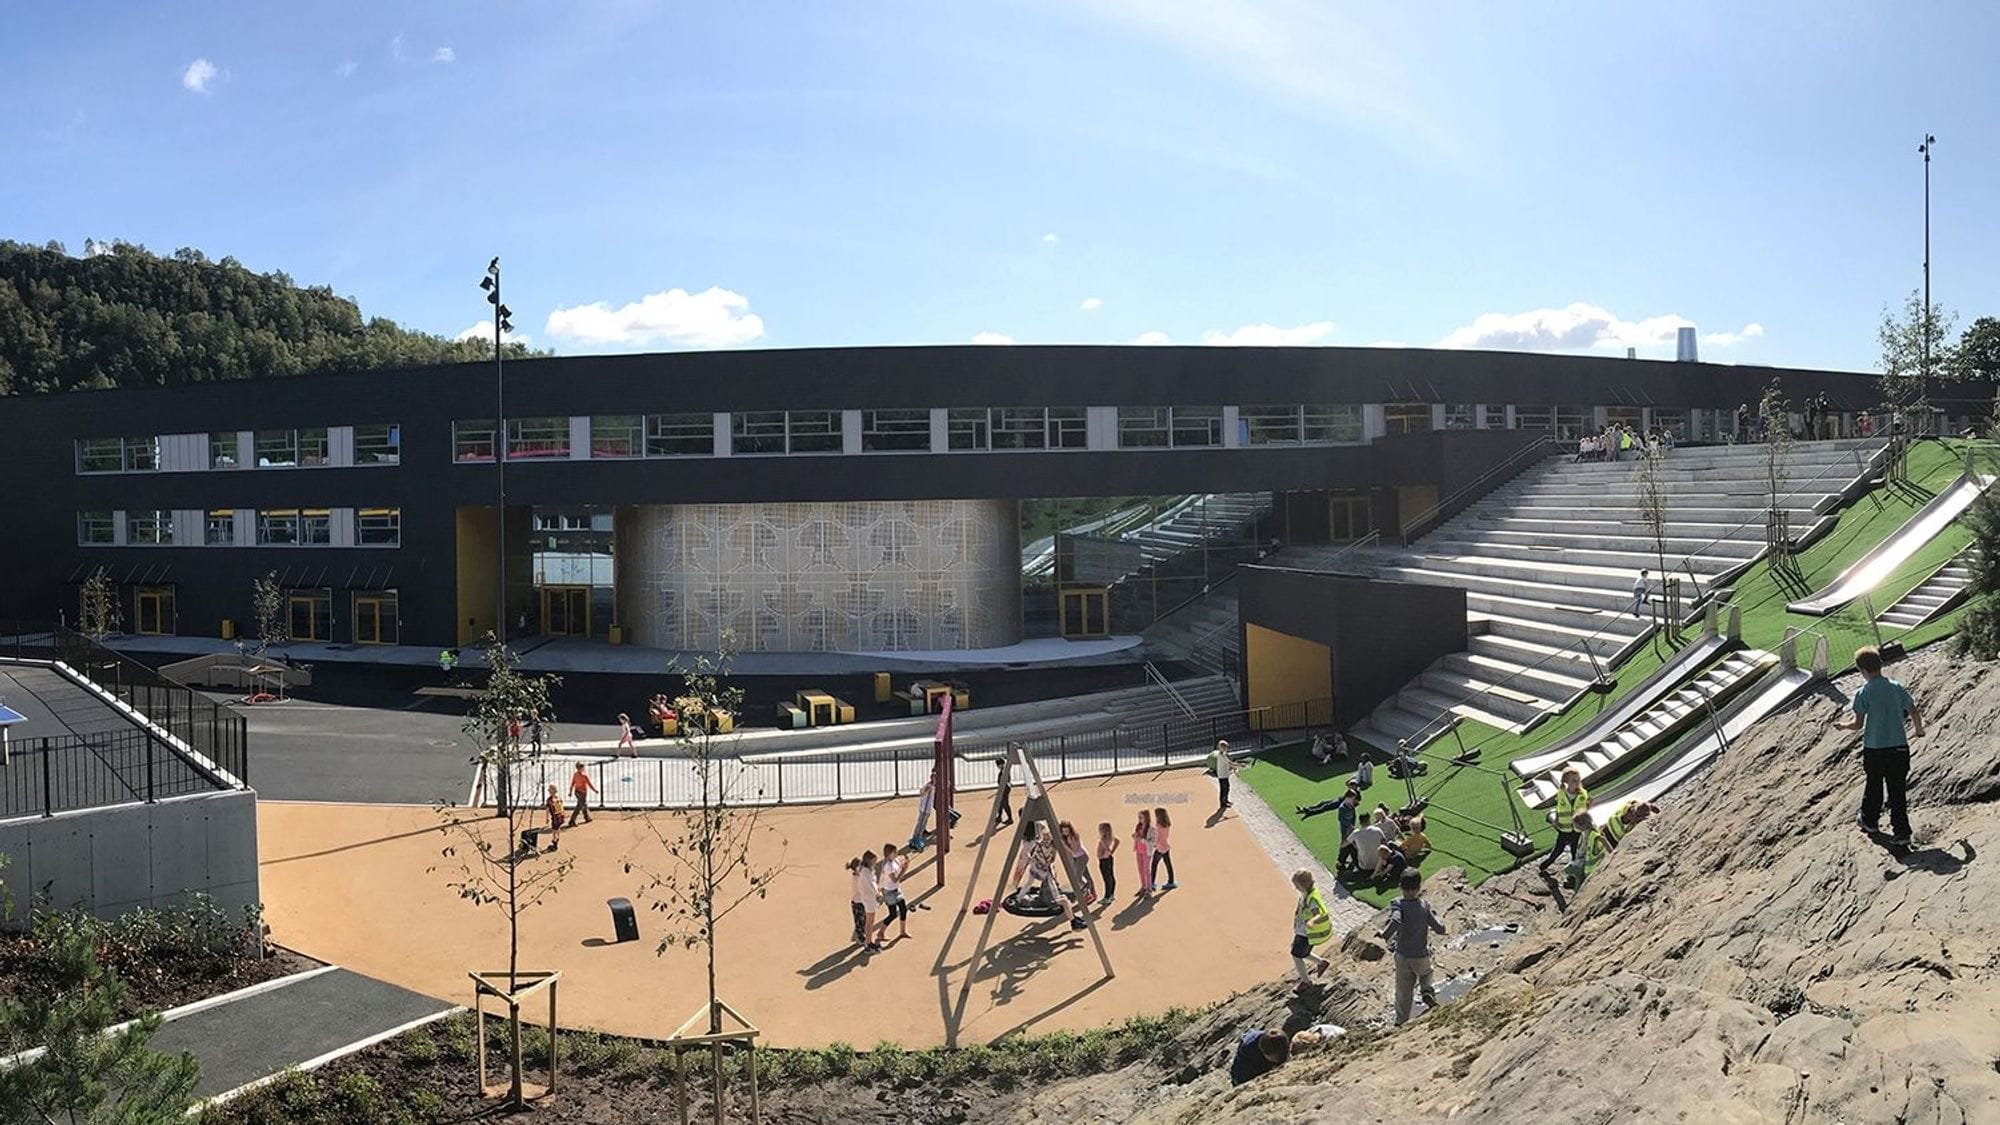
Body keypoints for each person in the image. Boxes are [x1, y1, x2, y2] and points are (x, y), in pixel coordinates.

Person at [1833, 645, 1925, 846]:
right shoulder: (1896, 687)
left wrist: (1842, 726)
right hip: (1899, 747)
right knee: (1897, 790)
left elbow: (1857, 724)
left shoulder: (1863, 692)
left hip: (1875, 749)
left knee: (1874, 785)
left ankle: (1870, 821)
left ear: (1862, 671)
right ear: (1880, 665)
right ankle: (1901, 833)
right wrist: (1918, 730)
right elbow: (1914, 710)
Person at [1381, 870, 1447, 1025]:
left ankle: (1401, 1021)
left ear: (1400, 887)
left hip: (1403, 955)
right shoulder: (1424, 905)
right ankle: (1426, 991)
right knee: (1426, 974)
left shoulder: (1398, 903)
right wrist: (1442, 927)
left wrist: (1384, 935)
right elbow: (1438, 927)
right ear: (1419, 887)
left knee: (1403, 990)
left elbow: (1396, 920)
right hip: (1420, 954)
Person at [1289, 869, 1333, 991]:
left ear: (1303, 885)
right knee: (1303, 952)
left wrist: (1312, 921)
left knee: (1296, 955)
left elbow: (1317, 913)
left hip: (1306, 933)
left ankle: (1305, 982)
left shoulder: (1312, 898)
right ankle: (1321, 963)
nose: (1296, 888)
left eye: (1297, 886)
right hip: (1302, 931)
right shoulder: (1308, 893)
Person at [1539, 768, 1590, 875]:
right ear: (1566, 782)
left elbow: (1585, 810)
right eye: (1573, 781)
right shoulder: (1561, 793)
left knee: (1575, 851)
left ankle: (1573, 873)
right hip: (1564, 828)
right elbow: (1559, 808)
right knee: (1558, 848)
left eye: (1578, 780)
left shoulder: (1583, 794)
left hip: (1577, 829)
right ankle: (1550, 861)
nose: (1577, 783)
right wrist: (1557, 819)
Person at [875, 843, 910, 944]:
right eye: (895, 852)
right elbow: (894, 879)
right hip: (890, 892)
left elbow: (900, 865)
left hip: (896, 890)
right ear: (889, 853)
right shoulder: (888, 866)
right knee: (893, 914)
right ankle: (881, 932)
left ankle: (902, 931)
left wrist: (904, 863)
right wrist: (904, 871)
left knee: (903, 909)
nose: (897, 853)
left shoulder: (894, 861)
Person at [852, 849, 882, 951]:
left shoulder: (865, 871)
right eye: (874, 861)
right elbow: (872, 886)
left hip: (868, 899)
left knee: (869, 922)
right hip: (869, 900)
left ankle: (868, 941)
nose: (875, 863)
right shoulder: (866, 873)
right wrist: (879, 894)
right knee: (869, 923)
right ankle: (868, 943)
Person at [1059, 820, 1095, 904]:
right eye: (1063, 831)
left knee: (1077, 877)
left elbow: (1074, 851)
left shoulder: (1073, 837)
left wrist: (1064, 846)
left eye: (1067, 831)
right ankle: (1093, 893)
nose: (1065, 833)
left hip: (1081, 857)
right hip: (1078, 857)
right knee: (1087, 876)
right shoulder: (1066, 837)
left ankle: (1088, 893)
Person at [1149, 807, 1177, 890]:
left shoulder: (1158, 826)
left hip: (1159, 848)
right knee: (1168, 865)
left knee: (1154, 865)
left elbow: (1157, 837)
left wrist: (1153, 844)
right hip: (1166, 846)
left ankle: (1152, 882)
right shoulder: (1167, 824)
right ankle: (1171, 881)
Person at [1208, 739, 1239, 813]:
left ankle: (1226, 800)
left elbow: (1228, 764)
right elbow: (1230, 762)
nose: (1226, 749)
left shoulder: (1223, 754)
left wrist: (1234, 767)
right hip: (1222, 775)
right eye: (1225, 748)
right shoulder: (1221, 755)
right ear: (1221, 748)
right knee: (1223, 789)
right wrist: (1238, 765)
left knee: (1227, 788)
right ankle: (1223, 803)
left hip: (1225, 774)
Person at [1095, 821, 1119, 905]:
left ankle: (1107, 897)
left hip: (1104, 860)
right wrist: (1111, 852)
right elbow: (1117, 841)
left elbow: (1107, 849)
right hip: (1109, 859)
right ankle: (1111, 894)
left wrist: (1105, 855)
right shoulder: (1110, 837)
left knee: (1106, 879)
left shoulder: (1103, 839)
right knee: (1111, 876)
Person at [1132, 809, 1155, 895]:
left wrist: (1141, 840)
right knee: (1140, 869)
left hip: (1146, 851)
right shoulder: (1139, 826)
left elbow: (1153, 841)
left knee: (1146, 870)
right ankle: (1143, 886)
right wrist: (1135, 837)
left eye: (1141, 817)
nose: (1139, 819)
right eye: (1139, 817)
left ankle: (1149, 889)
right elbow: (1137, 836)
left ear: (1146, 817)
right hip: (1138, 850)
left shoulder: (1151, 829)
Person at [566, 762, 596, 827]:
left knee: (584, 804)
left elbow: (572, 783)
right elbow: (589, 784)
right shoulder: (584, 776)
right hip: (582, 792)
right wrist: (594, 790)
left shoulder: (575, 774)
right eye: (582, 767)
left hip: (577, 791)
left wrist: (570, 792)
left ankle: (587, 817)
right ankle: (572, 820)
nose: (583, 769)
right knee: (579, 806)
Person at [542, 784, 564, 852]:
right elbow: (561, 807)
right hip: (560, 816)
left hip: (555, 818)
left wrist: (547, 818)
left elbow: (547, 810)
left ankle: (554, 843)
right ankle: (556, 841)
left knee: (554, 831)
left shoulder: (549, 800)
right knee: (558, 829)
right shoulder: (558, 798)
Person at [994, 752, 1015, 827]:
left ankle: (1010, 818)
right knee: (1000, 803)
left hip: (1004, 789)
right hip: (1004, 788)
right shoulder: (1005, 770)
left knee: (1004, 803)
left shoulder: (1003, 771)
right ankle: (999, 816)